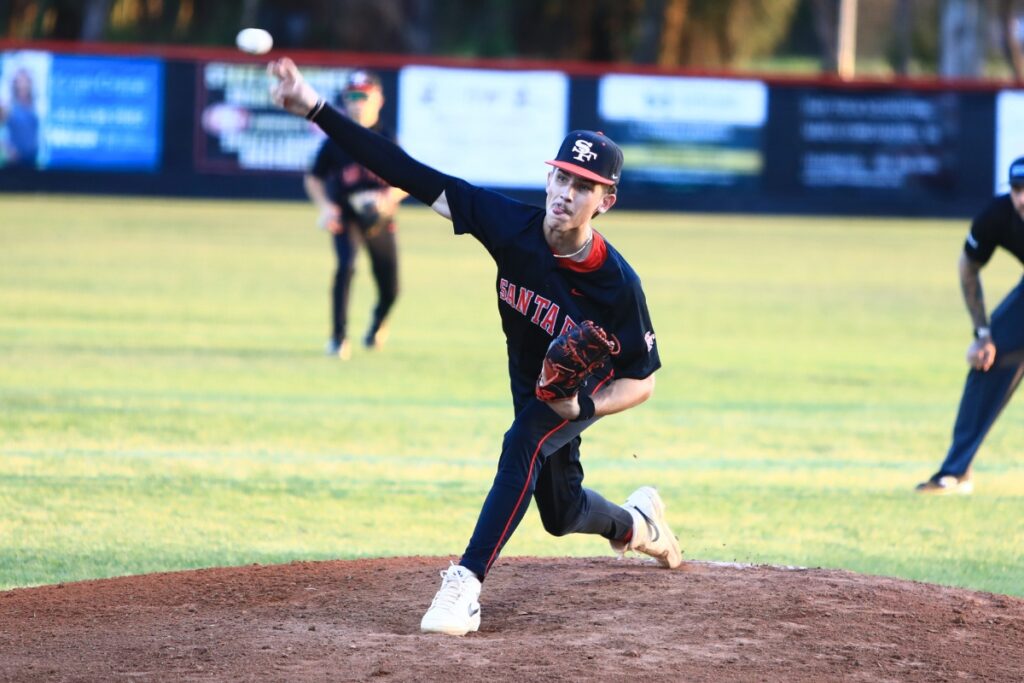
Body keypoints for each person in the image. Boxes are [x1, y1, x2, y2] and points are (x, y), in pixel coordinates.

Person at [269, 57, 682, 635]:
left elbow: (643, 379)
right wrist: (315, 107)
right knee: (560, 515)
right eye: (561, 177)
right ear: (548, 179)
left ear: (605, 200)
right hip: (527, 380)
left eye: (584, 186)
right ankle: (639, 524)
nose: (566, 192)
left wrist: (585, 407)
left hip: (573, 394)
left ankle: (464, 584)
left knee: (522, 442)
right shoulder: (506, 224)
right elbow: (405, 171)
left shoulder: (617, 284)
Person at [917, 156, 1024, 495]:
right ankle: (956, 471)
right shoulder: (998, 215)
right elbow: (968, 267)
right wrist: (982, 334)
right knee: (988, 358)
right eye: (1017, 189)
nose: (1022, 198)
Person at [303, 69, 406, 360]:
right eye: (352, 96)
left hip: (379, 218)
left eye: (364, 95)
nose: (358, 102)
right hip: (347, 215)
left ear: (379, 100)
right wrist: (325, 206)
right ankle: (338, 338)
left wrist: (390, 197)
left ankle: (377, 322)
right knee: (345, 267)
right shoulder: (336, 139)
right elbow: (313, 178)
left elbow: (409, 182)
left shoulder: (387, 139)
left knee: (391, 287)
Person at [0, 68, 40, 168]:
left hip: (32, 162)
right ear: (15, 84)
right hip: (14, 163)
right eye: (20, 81)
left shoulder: (35, 106)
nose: (23, 85)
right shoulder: (8, 106)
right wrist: (6, 149)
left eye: (25, 81)